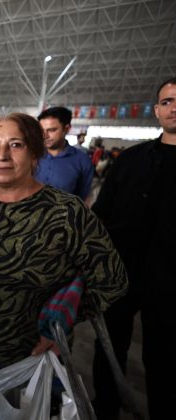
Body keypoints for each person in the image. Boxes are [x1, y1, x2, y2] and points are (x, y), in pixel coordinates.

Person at [0, 113, 127, 392]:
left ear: (35, 154)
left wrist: (63, 324)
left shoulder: (66, 211)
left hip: (27, 352)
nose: (3, 155)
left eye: (16, 145)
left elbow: (112, 281)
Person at [91, 77, 176, 420]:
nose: (174, 107)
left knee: (165, 357)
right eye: (167, 101)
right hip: (119, 275)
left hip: (170, 283)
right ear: (156, 111)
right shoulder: (130, 160)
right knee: (109, 348)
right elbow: (102, 214)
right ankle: (105, 409)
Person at [36, 107, 95, 201]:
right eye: (42, 130)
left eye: (51, 130)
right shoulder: (32, 155)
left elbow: (81, 198)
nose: (45, 136)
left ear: (67, 129)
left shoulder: (82, 162)